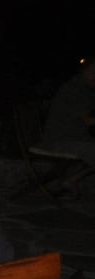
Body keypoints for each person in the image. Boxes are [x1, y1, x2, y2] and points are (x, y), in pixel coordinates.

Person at [38, 58, 95, 199]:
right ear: (84, 72)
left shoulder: (86, 89)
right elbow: (88, 120)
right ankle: (71, 180)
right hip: (58, 140)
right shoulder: (74, 89)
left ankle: (72, 180)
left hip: (74, 137)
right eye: (93, 72)